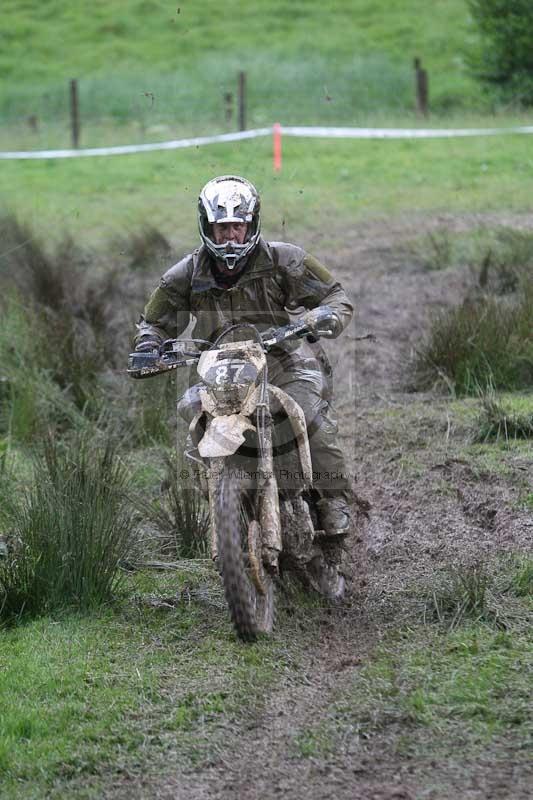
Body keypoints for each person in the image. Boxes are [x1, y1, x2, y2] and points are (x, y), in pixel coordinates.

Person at [134, 175, 354, 546]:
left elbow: (335, 295)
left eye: (238, 225)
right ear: (207, 226)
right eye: (222, 228)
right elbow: (153, 323)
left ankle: (333, 499)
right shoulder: (185, 275)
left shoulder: (285, 259)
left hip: (284, 362)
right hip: (216, 372)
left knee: (307, 414)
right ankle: (223, 501)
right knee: (193, 420)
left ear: (251, 223)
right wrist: (148, 346)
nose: (231, 235)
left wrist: (323, 317)